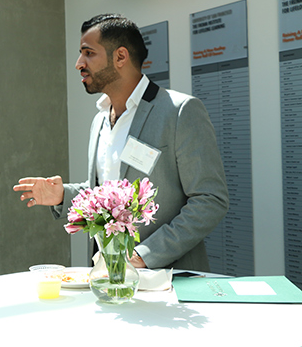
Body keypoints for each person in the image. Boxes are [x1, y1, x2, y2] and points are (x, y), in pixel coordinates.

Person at [14, 14, 228, 272]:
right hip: (107, 276)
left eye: (88, 53)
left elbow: (209, 200)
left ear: (120, 57)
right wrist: (62, 195)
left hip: (166, 281)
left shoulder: (180, 111)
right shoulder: (99, 121)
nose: (79, 63)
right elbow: (105, 193)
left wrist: (144, 255)